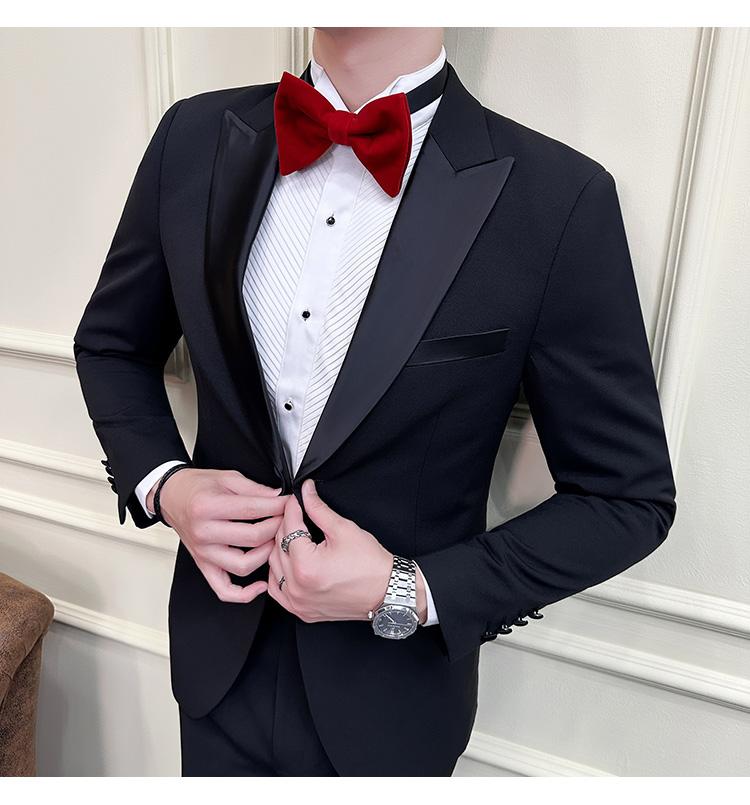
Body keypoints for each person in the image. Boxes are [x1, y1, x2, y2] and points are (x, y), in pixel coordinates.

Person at [73, 26, 677, 776]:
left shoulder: (557, 198)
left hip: (392, 705)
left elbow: (627, 499)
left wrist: (408, 590)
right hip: (214, 668)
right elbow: (112, 346)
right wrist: (166, 484)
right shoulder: (191, 136)